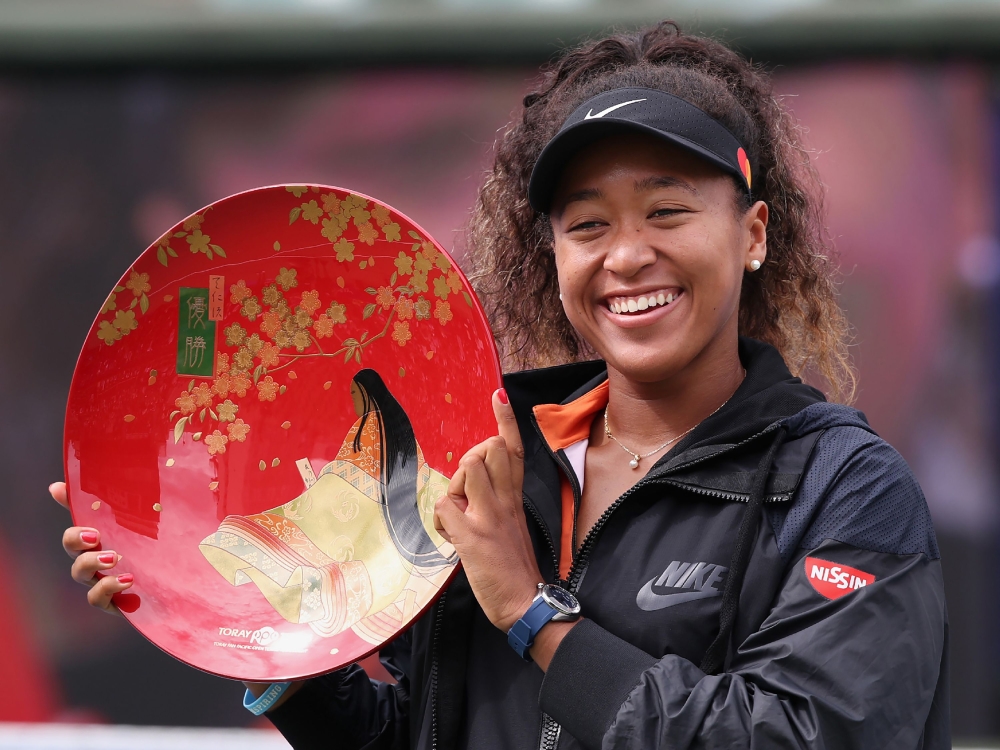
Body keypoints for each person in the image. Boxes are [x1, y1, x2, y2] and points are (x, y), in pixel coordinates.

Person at [52, 21, 948, 750]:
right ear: (551, 256)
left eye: (668, 210)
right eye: (587, 224)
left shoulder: (841, 489)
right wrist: (264, 649)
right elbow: (414, 734)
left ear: (753, 235)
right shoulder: (486, 463)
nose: (627, 255)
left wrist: (532, 613)